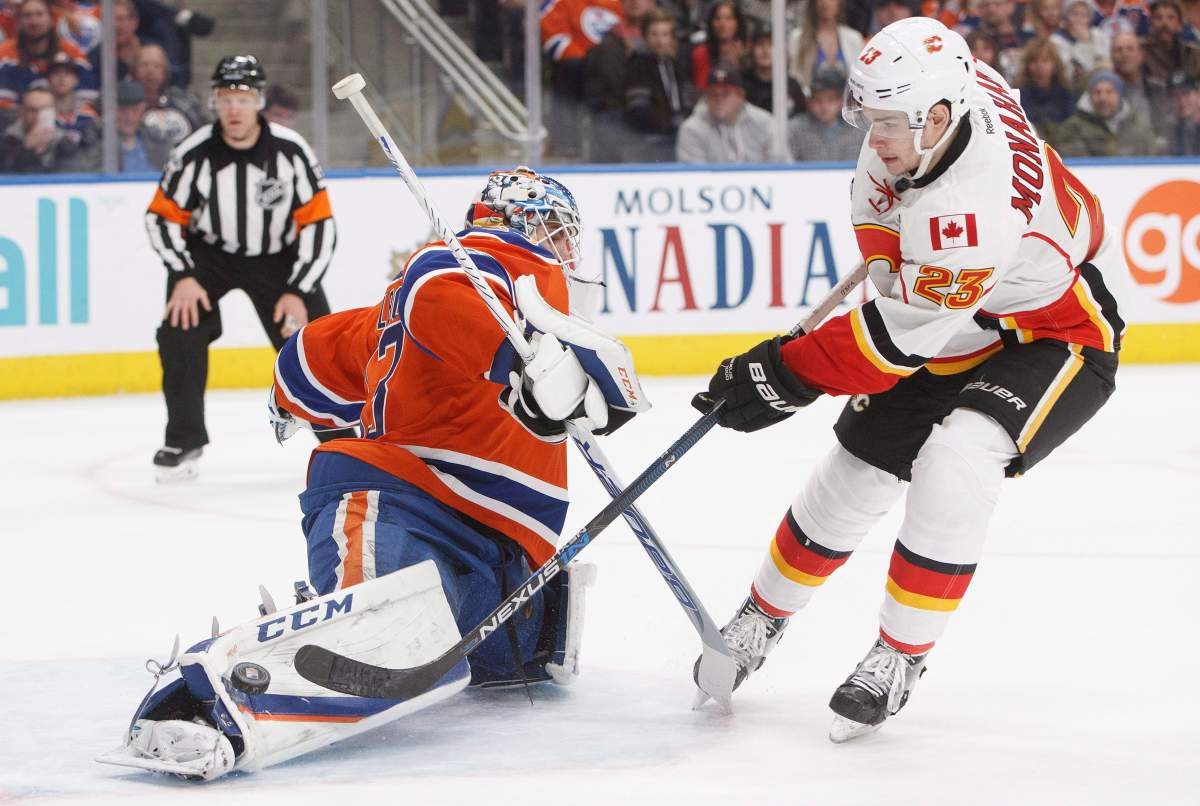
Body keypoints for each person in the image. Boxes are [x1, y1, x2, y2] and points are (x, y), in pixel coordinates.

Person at [97, 167, 649, 782]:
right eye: (558, 231)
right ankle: (204, 702)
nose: (568, 251)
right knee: (373, 632)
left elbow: (317, 352)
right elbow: (439, 287)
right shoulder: (480, 265)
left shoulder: (468, 310)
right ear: (519, 223)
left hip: (504, 548)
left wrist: (288, 391)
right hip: (405, 500)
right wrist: (510, 355)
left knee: (497, 660)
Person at [691, 17, 1124, 743]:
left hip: (1056, 331)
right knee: (856, 469)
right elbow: (881, 231)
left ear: (942, 117)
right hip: (966, 311)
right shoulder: (942, 93)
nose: (873, 133)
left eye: (889, 121)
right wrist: (891, 261)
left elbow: (887, 342)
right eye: (869, 115)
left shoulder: (971, 213)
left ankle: (899, 654)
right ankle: (763, 615)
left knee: (958, 456)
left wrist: (782, 373)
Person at [144, 55, 342, 482]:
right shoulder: (194, 153)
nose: (234, 108)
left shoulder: (291, 151)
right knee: (180, 330)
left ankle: (343, 442)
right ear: (214, 102)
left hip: (280, 259)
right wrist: (183, 274)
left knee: (318, 345)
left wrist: (299, 286)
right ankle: (184, 438)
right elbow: (160, 217)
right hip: (209, 258)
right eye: (226, 98)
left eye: (243, 97)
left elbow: (320, 224)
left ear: (259, 101)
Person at [623, 8, 694, 161]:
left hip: (681, 134)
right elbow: (638, 110)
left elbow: (688, 103)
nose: (660, 40)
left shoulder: (677, 65)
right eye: (654, 34)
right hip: (651, 139)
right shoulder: (637, 64)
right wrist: (671, 126)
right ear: (645, 37)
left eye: (665, 34)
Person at [0, 0, 95, 111]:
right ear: (18, 21)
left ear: (51, 19)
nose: (34, 21)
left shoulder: (72, 54)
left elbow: (88, 102)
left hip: (66, 123)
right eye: (27, 15)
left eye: (39, 14)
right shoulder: (4, 55)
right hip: (20, 123)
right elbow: (3, 108)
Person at [676, 62, 774, 162]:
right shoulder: (692, 129)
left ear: (740, 96)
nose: (719, 99)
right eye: (713, 94)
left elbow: (780, 168)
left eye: (725, 94)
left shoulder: (764, 123)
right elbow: (695, 175)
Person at [1054, 68, 1161, 153]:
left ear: (1120, 96)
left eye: (1109, 92)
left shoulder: (1140, 130)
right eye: (1097, 92)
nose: (1103, 98)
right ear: (1089, 97)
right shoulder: (1072, 129)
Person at [134, 42, 204, 167]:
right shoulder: (119, 102)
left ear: (165, 71)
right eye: (144, 65)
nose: (150, 70)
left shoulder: (184, 102)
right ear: (134, 69)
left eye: (157, 66)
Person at [789, 0, 864, 97]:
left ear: (840, 3)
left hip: (847, 105)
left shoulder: (854, 39)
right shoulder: (798, 38)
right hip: (809, 105)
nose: (826, 3)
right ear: (813, 3)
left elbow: (860, 81)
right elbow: (795, 79)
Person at [0, 82, 81, 170]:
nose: (38, 115)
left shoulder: (66, 144)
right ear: (21, 112)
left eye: (45, 110)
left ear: (55, 112)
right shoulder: (5, 140)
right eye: (32, 110)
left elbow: (69, 179)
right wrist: (26, 149)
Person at [786, 67, 860, 160]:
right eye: (818, 100)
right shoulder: (794, 129)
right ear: (809, 101)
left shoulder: (857, 130)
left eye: (831, 100)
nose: (824, 107)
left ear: (841, 102)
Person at [1015, 36, 1077, 137]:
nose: (1039, 67)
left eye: (1045, 61)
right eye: (1034, 61)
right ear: (1027, 66)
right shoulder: (1018, 95)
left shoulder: (1066, 94)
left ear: (1055, 64)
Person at [742, 24, 805, 116]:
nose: (765, 50)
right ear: (752, 49)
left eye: (771, 44)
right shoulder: (742, 83)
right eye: (760, 44)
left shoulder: (791, 85)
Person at [1052, 0, 1112, 91]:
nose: (1079, 19)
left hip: (1101, 83)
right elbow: (1066, 73)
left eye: (1084, 15)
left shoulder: (1098, 34)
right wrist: (1084, 43)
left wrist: (1087, 40)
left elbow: (1106, 60)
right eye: (1074, 14)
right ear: (1066, 17)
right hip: (1072, 87)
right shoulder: (1057, 40)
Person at [691, 0, 748, 89]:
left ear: (737, 23)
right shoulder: (701, 53)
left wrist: (739, 63)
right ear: (711, 23)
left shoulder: (747, 52)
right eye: (717, 18)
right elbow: (701, 88)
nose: (723, 24)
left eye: (729, 18)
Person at [116, 77, 154, 171]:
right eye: (123, 110)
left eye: (135, 110)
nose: (130, 117)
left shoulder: (158, 145)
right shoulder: (97, 149)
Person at [1167, 71, 1200, 151]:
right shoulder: (1167, 131)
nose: (1182, 101)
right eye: (1175, 95)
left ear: (1198, 95)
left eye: (1186, 93)